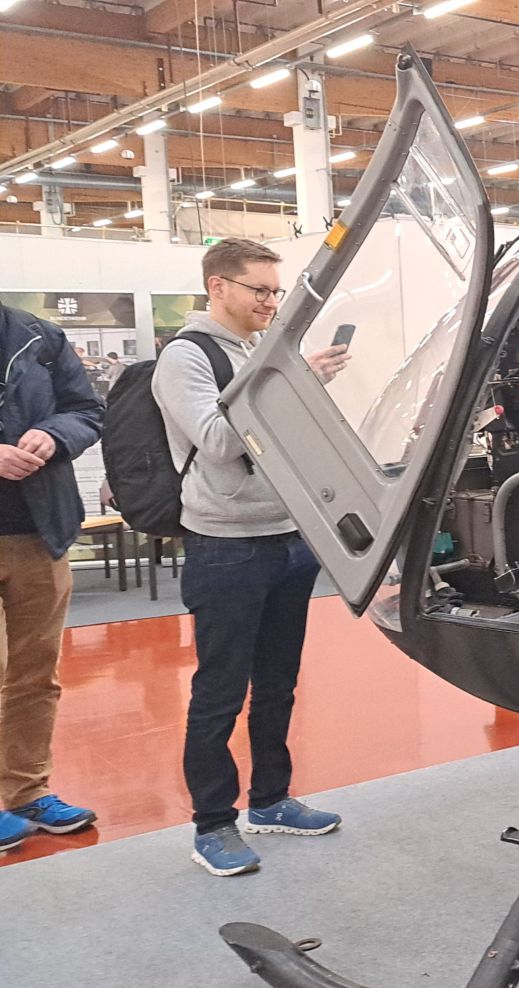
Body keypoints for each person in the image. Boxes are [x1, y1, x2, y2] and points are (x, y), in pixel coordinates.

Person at [152, 238, 350, 877]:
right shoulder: (187, 356)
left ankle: (270, 799)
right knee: (220, 691)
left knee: (278, 684)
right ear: (218, 286)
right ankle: (213, 823)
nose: (270, 301)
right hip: (225, 546)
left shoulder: (265, 352)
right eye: (259, 290)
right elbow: (215, 441)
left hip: (289, 535)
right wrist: (285, 387)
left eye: (275, 291)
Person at [0, 303, 104, 857]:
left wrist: (52, 434)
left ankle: (27, 793)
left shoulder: (39, 336)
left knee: (35, 674)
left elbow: (86, 409)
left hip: (40, 533)